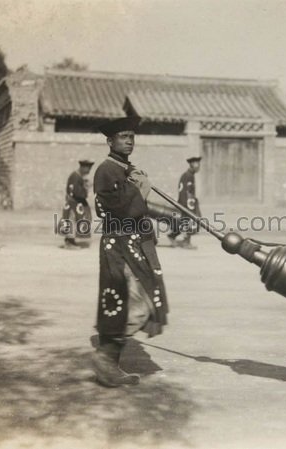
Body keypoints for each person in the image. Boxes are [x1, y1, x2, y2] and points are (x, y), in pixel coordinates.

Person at [91, 116, 169, 387]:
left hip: (131, 244)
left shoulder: (125, 169)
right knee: (134, 303)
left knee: (136, 302)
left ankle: (109, 361)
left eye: (131, 137)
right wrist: (139, 188)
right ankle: (105, 359)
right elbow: (122, 209)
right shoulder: (106, 170)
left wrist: (139, 187)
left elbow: (136, 205)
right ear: (110, 141)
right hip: (119, 246)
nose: (128, 141)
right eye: (123, 137)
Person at [167, 156, 202, 249]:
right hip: (186, 203)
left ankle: (173, 236)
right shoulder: (188, 176)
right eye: (196, 164)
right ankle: (186, 242)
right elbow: (185, 192)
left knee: (183, 222)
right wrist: (188, 206)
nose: (198, 167)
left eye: (199, 164)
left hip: (188, 202)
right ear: (191, 165)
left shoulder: (189, 175)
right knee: (188, 221)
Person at [61, 160, 94, 249]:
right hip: (74, 203)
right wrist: (86, 187)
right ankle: (70, 243)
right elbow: (77, 193)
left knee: (74, 221)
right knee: (72, 221)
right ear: (83, 167)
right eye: (88, 168)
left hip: (75, 203)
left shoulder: (78, 176)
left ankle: (69, 241)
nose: (89, 171)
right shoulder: (75, 176)